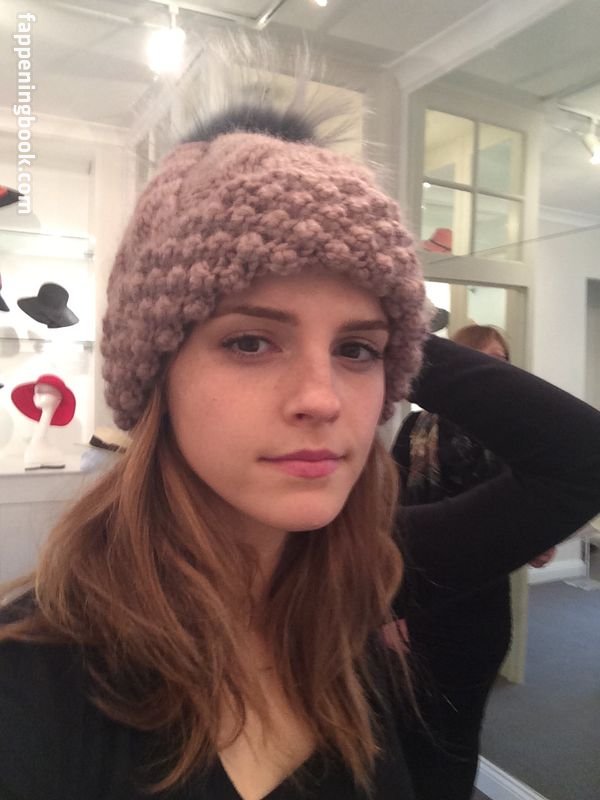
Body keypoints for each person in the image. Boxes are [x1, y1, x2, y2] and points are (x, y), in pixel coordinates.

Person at [1, 55, 600, 800]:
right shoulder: (33, 681)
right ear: (157, 374)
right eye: (251, 341)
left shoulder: (361, 578)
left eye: (357, 352)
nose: (322, 399)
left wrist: (397, 328)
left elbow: (581, 457)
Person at [391, 324, 555, 800]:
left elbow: (534, 527)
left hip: (478, 611)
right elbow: (387, 519)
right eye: (482, 360)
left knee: (457, 736)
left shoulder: (518, 440)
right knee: (408, 729)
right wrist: (389, 610)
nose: (492, 372)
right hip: (414, 605)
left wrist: (536, 540)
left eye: (501, 361)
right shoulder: (415, 428)